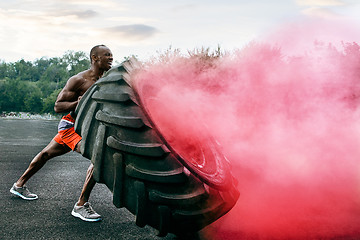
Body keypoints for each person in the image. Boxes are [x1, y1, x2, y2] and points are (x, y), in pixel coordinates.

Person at [10, 45, 113, 222]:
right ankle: (81, 205)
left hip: (87, 127)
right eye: (107, 55)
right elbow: (58, 106)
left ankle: (19, 185)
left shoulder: (106, 80)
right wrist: (77, 103)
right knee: (99, 156)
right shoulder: (79, 80)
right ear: (95, 58)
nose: (111, 58)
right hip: (70, 126)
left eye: (112, 55)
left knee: (45, 155)